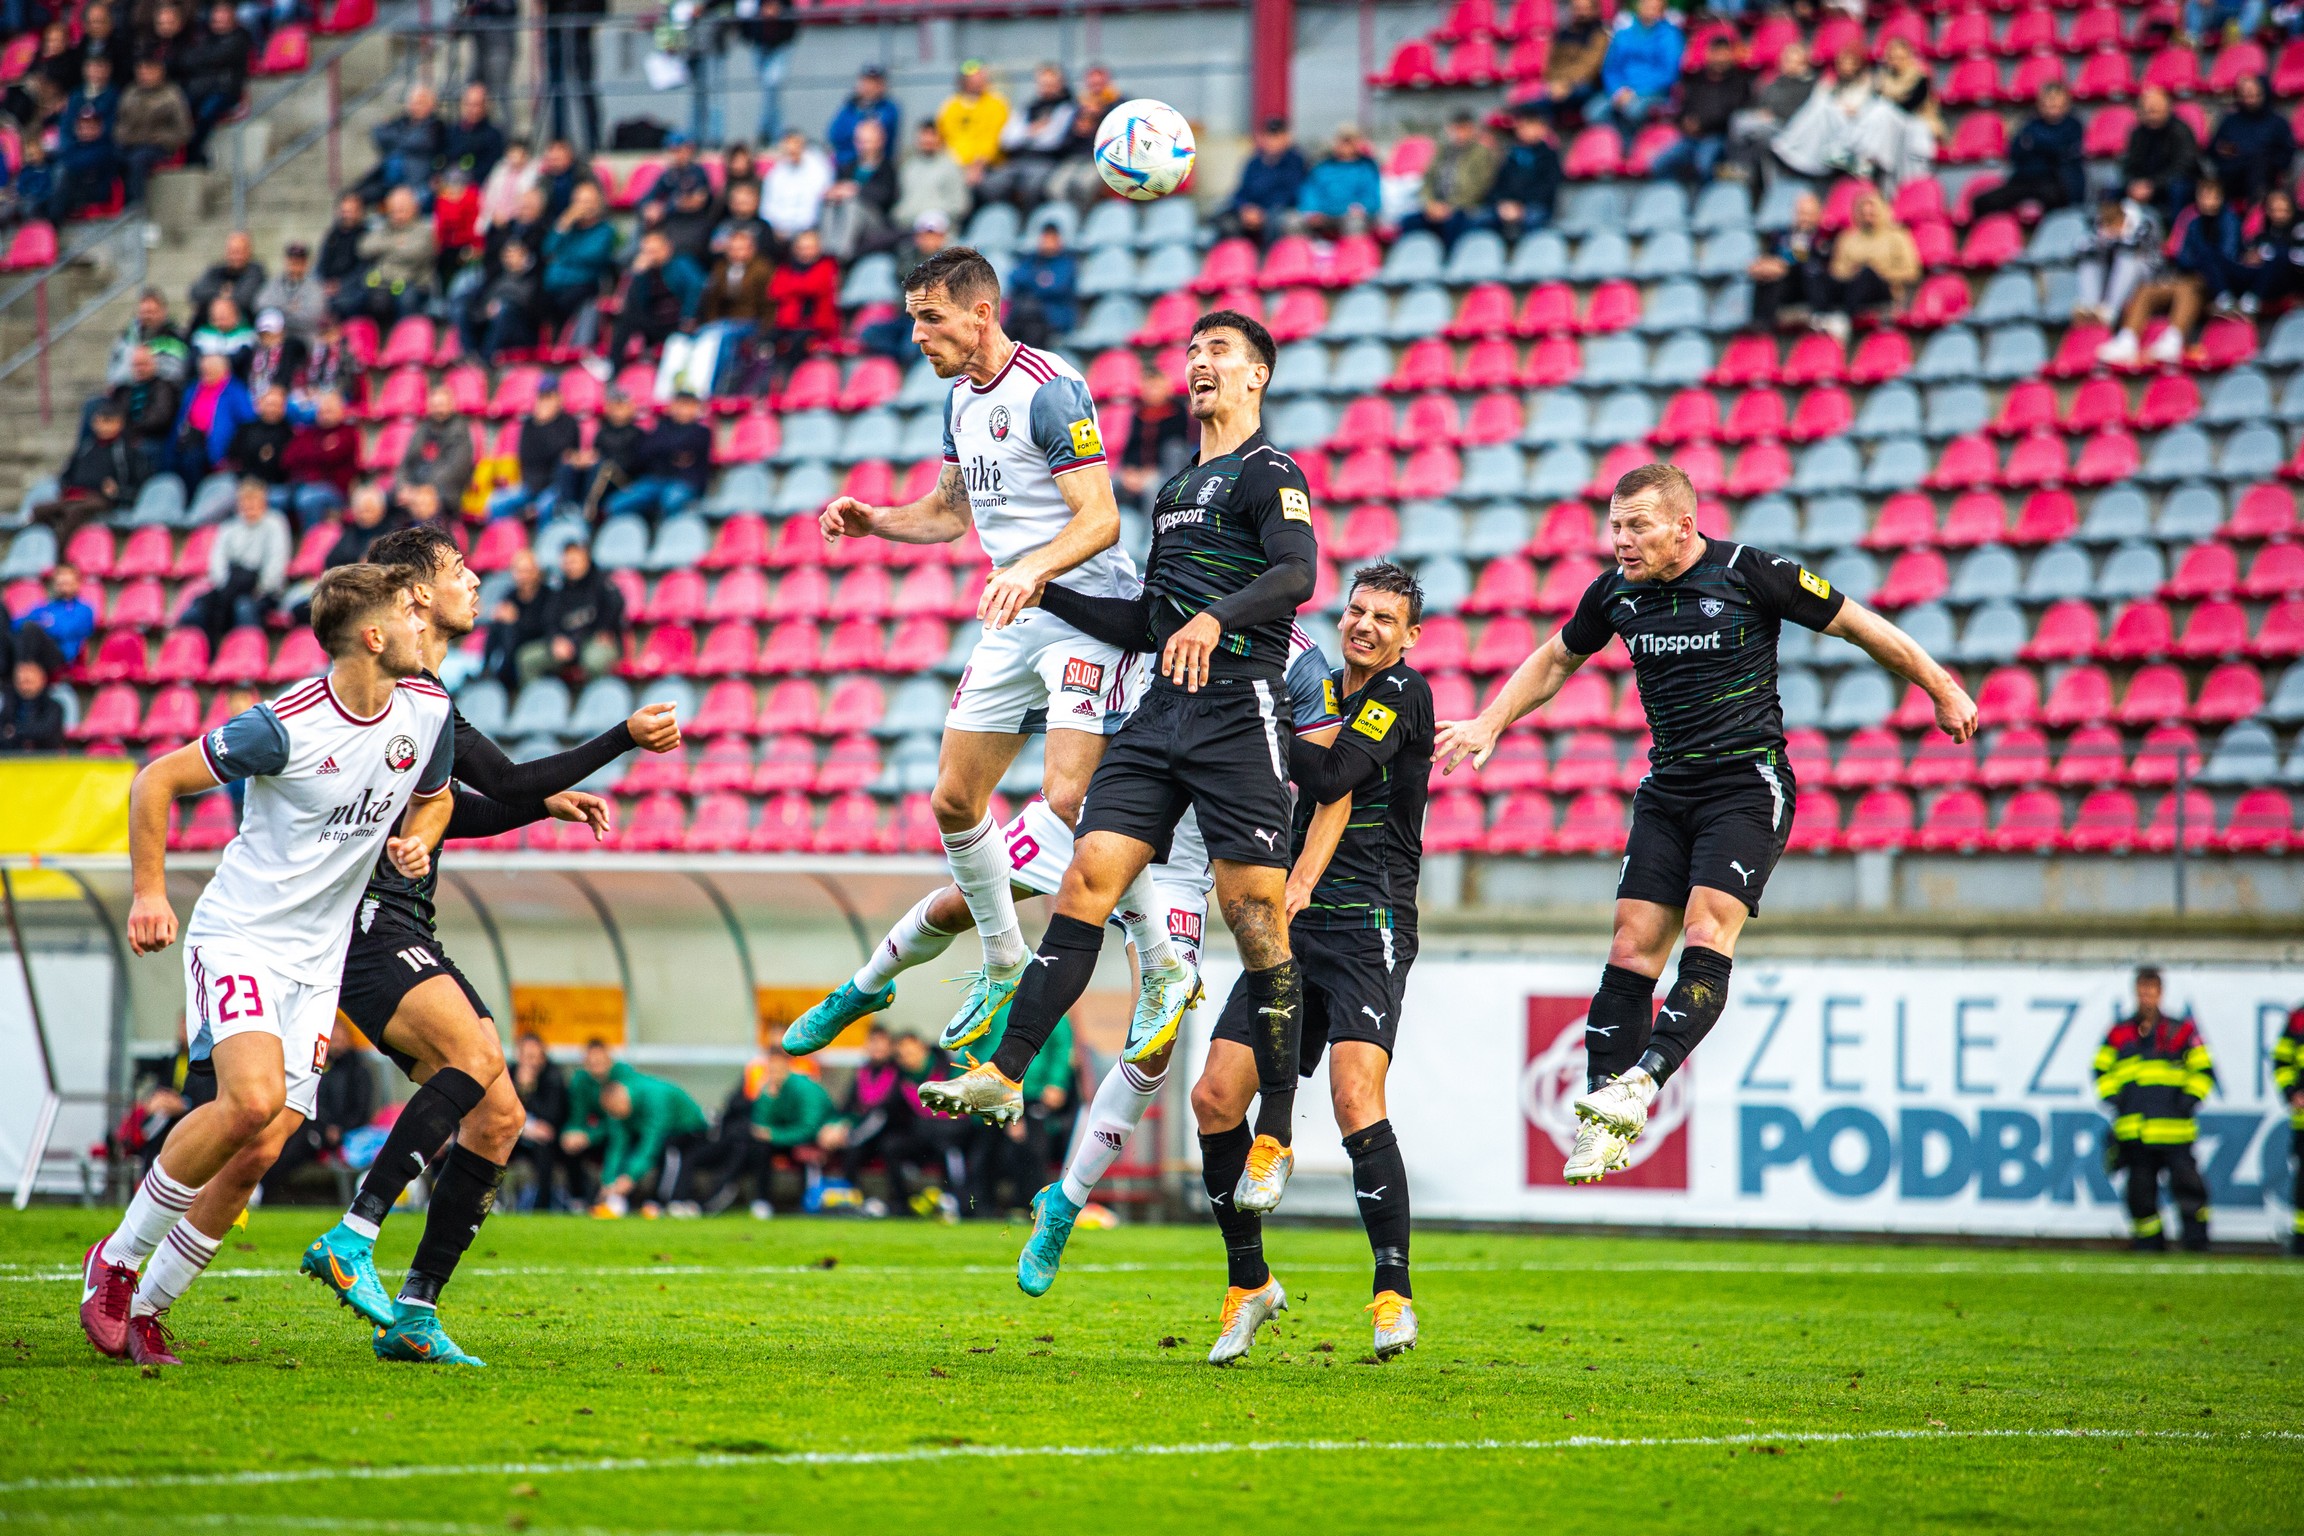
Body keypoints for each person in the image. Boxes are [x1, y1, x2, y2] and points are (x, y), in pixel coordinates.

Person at [1434, 464, 1977, 1183]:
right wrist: (1490, 720)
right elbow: (1558, 659)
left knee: (1705, 927)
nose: (1620, 540)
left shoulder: (1752, 574)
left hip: (1747, 784)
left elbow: (1859, 626)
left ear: (1683, 526)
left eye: (1637, 526)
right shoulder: (1616, 592)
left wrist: (1941, 687)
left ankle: (1645, 1081)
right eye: (1614, 525)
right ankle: (1603, 1110)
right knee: (1631, 943)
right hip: (1669, 787)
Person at [920, 314, 1315, 1267]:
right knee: (1085, 880)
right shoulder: (1175, 489)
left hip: (1238, 715)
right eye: (1192, 352)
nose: (1199, 364)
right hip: (1159, 723)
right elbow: (1146, 618)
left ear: (1257, 373)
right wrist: (1040, 588)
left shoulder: (1274, 473)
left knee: (1258, 922)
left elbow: (1298, 575)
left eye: (1219, 353)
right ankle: (1005, 1074)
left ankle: (1278, 1132)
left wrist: (1218, 619)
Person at [298, 522, 671, 1361]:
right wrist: (618, 740)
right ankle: (354, 1233)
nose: (478, 581)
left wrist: (546, 804)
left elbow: (459, 806)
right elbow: (498, 781)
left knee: (498, 1115)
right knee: (475, 1058)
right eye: (461, 569)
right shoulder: (391, 689)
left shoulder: (425, 695)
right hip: (365, 923)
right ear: (417, 594)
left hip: (403, 920)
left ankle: (417, 1312)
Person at [76, 562, 451, 1368]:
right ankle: (113, 1259)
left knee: (260, 1146)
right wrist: (149, 894)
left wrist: (422, 832)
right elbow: (155, 780)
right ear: (374, 636)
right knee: (249, 1101)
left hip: (319, 963)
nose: (430, 631)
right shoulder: (282, 726)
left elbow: (437, 793)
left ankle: (148, 1307)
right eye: (412, 618)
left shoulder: (427, 708)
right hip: (242, 935)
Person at [809, 247, 1140, 1053]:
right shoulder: (960, 400)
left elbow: (1100, 519)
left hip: (1086, 613)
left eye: (931, 317)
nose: (917, 334)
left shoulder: (1049, 388)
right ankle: (1002, 956)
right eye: (914, 317)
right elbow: (951, 513)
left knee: (1069, 803)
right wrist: (876, 519)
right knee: (954, 803)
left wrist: (1031, 570)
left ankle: (1159, 965)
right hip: (1014, 609)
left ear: (981, 313)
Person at [1184, 562, 1432, 1363]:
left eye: (1383, 619)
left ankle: (1391, 1295)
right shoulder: (1311, 691)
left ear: (1409, 637)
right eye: (1356, 611)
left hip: (1367, 924)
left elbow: (1329, 775)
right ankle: (1248, 1284)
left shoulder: (1400, 696)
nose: (1364, 627)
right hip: (1284, 923)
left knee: (1356, 1097)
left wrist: (1252, 720)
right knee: (1216, 1097)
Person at [2095, 967, 2215, 1252]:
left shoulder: (2181, 1030)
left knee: (2189, 1191)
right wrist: (2117, 1100)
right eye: (2141, 992)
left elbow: (2204, 1070)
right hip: (2135, 1131)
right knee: (2140, 1195)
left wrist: (2186, 1102)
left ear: (2160, 993)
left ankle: (2196, 1244)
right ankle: (2149, 1246)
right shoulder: (2120, 1031)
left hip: (2174, 1130)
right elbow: (2100, 1068)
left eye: (2150, 991)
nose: (2145, 998)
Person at [2099, 178, 2242, 367]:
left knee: (2188, 287)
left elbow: (2226, 256)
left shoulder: (2230, 221)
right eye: (2204, 196)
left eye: (2213, 197)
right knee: (2147, 290)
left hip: (2215, 284)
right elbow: (2182, 255)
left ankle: (2173, 340)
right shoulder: (2193, 222)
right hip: (2185, 276)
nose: (2209, 201)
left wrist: (2199, 264)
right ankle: (2127, 339)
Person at [257, 1017, 376, 1201]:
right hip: (317, 1127)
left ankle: (261, 1189)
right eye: (332, 1038)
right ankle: (259, 1185)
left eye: (340, 1038)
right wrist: (325, 1126)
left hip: (344, 1133)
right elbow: (314, 1101)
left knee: (297, 1145)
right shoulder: (319, 1068)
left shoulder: (359, 1071)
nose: (336, 1043)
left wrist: (340, 1129)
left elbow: (362, 1110)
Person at [595, 1067, 711, 1217]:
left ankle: (665, 1201)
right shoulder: (618, 1111)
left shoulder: (655, 1099)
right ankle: (620, 1200)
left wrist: (631, 1177)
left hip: (689, 1131)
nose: (616, 1116)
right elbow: (617, 1146)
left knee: (671, 1153)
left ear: (622, 1099)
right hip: (661, 1134)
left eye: (617, 1111)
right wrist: (608, 1180)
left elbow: (652, 1142)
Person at [741, 1045, 839, 1216]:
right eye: (769, 1068)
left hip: (815, 1139)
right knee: (758, 1147)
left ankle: (809, 1203)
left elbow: (810, 1128)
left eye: (777, 1067)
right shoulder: (769, 1090)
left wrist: (774, 1135)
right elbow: (760, 1126)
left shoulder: (805, 1088)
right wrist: (767, 1098)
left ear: (788, 1065)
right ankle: (762, 1201)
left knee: (805, 1152)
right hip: (788, 1138)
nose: (773, 1073)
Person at [190, 478, 290, 644]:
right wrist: (224, 587)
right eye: (245, 500)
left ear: (263, 501)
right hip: (229, 589)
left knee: (243, 607)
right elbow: (217, 565)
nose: (249, 505)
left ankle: (248, 655)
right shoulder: (228, 528)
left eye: (254, 500)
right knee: (195, 612)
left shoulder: (275, 524)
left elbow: (276, 564)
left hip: (262, 593)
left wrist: (262, 588)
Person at [1813, 189, 1919, 339]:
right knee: (1816, 272)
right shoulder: (1846, 238)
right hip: (1850, 285)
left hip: (1885, 288)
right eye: (1864, 213)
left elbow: (1911, 271)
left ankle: (1844, 319)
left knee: (1867, 273)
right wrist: (1852, 271)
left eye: (1872, 213)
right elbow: (1836, 269)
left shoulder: (1898, 236)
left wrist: (1880, 271)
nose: (1868, 217)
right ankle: (1821, 316)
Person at [1969, 81, 2084, 218]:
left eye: (2055, 104)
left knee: (2055, 201)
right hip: (2023, 180)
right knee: (1982, 202)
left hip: (2054, 181)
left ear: (2066, 104)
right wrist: (2043, 146)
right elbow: (2014, 151)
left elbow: (2058, 149)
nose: (2051, 108)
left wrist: (2034, 144)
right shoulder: (2030, 123)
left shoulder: (2073, 125)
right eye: (2046, 103)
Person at [1650, 31, 1752, 185]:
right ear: (1709, 54)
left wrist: (1702, 125)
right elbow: (1682, 107)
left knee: (1704, 164)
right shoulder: (1696, 80)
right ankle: (1676, 197)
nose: (1720, 58)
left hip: (1718, 137)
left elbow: (1732, 114)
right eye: (1716, 53)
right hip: (1690, 138)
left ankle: (1709, 202)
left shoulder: (1739, 83)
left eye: (1724, 53)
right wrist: (1684, 122)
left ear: (1731, 55)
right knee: (1660, 164)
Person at [521, 535, 626, 682]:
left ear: (586, 560)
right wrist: (555, 640)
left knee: (594, 661)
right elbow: (548, 620)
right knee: (527, 659)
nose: (570, 565)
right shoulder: (558, 588)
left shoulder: (602, 583)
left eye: (575, 561)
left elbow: (616, 607)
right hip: (566, 644)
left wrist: (604, 629)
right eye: (567, 561)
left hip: (593, 641)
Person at [603, 388, 712, 523]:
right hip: (655, 480)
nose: (681, 409)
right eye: (679, 403)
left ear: (696, 408)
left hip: (684, 482)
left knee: (671, 500)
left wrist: (663, 451)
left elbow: (674, 447)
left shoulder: (702, 432)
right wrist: (672, 454)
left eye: (687, 404)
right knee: (615, 505)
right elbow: (644, 452)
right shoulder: (661, 427)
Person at [39, 405, 144, 541]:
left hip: (102, 499)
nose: (102, 426)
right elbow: (67, 474)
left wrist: (118, 491)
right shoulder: (85, 447)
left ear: (119, 423)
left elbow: (137, 485)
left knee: (73, 512)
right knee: (39, 510)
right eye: (99, 421)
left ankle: (59, 556)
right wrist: (64, 487)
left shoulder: (126, 451)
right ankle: (41, 548)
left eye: (108, 421)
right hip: (76, 496)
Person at [1590, 0, 1684, 151]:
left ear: (1662, 11)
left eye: (1655, 8)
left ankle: (1634, 150)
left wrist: (1636, 91)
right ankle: (1616, 146)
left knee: (1633, 110)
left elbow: (1670, 73)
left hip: (1653, 92)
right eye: (1647, 6)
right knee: (1593, 112)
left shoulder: (1671, 36)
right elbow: (1611, 68)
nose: (1650, 11)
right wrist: (1617, 90)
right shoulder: (1623, 34)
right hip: (1621, 91)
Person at [337, 186, 438, 325]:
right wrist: (396, 245)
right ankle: (356, 342)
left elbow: (415, 253)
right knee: (349, 301)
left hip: (413, 285)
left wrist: (384, 249)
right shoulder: (384, 227)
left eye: (401, 210)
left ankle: (405, 342)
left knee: (407, 300)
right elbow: (363, 248)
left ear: (415, 208)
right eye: (393, 211)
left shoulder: (425, 229)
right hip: (381, 284)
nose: (397, 215)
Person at [981, 63, 1075, 209]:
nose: (1047, 88)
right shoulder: (1029, 107)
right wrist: (1032, 131)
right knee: (992, 185)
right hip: (1018, 161)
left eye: (1051, 84)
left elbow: (1052, 141)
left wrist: (1026, 134)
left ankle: (1029, 224)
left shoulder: (1068, 108)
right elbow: (1006, 140)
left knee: (1032, 186)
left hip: (1046, 161)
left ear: (1060, 84)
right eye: (1043, 84)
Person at [1402, 110, 1499, 249]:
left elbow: (1478, 187)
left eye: (1464, 129)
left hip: (1464, 207)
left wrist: (1450, 207)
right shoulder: (1442, 151)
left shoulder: (1481, 153)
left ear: (1472, 129)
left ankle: (1449, 263)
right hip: (1437, 205)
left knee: (1455, 222)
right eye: (1456, 129)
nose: (1459, 134)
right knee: (1409, 221)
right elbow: (1428, 180)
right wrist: (1429, 203)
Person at [489, 375, 581, 521]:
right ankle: (506, 540)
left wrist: (545, 425)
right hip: (531, 485)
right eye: (542, 396)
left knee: (544, 506)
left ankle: (543, 543)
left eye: (550, 396)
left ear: (559, 398)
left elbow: (562, 457)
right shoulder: (530, 423)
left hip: (556, 485)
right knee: (495, 502)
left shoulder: (569, 423)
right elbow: (527, 456)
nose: (545, 401)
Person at [606, 228, 703, 364]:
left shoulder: (681, 263)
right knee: (627, 320)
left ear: (667, 248)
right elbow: (634, 302)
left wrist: (689, 315)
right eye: (647, 251)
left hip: (678, 322)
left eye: (655, 250)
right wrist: (637, 275)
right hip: (655, 322)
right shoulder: (645, 272)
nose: (652, 255)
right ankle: (612, 367)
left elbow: (697, 286)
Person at [2074, 185, 2166, 327]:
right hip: (2112, 273)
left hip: (2149, 274)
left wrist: (2118, 237)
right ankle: (2090, 307)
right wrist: (2102, 239)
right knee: (2089, 261)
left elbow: (2142, 250)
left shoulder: (2144, 219)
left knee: (2127, 258)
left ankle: (2110, 311)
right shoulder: (2100, 220)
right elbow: (2080, 249)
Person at [1727, 37, 1814, 184]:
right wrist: (1761, 112)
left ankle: (1740, 166)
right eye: (1786, 59)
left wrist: (1773, 113)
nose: (1787, 64)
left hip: (1790, 129)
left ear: (1803, 64)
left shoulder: (1808, 86)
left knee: (1747, 127)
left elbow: (1799, 114)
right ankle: (1750, 174)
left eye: (1792, 60)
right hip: (1768, 125)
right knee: (1741, 121)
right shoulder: (1776, 82)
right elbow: (1760, 103)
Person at [538, 180, 620, 334]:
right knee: (533, 300)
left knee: (563, 303)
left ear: (599, 204)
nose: (584, 206)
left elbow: (592, 256)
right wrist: (562, 224)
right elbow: (547, 250)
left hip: (584, 285)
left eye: (589, 201)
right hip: (554, 286)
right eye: (579, 201)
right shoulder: (568, 228)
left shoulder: (605, 230)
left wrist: (562, 256)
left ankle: (564, 346)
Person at [178, 1, 251, 165]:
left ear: (233, 17)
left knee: (207, 112)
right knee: (181, 108)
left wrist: (202, 59)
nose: (219, 20)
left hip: (226, 90)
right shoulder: (204, 38)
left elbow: (217, 57)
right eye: (217, 17)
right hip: (201, 88)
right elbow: (187, 60)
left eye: (224, 16)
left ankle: (193, 153)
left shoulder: (240, 38)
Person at [2208, 74, 2295, 210]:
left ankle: (2255, 215)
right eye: (2245, 96)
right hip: (2232, 175)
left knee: (2259, 162)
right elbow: (2213, 148)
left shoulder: (2277, 122)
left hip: (2264, 178)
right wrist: (2222, 150)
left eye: (2254, 95)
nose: (2250, 100)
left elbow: (2286, 154)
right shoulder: (2230, 121)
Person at [1220, 117, 1309, 247]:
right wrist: (1245, 208)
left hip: (1279, 211)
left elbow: (1292, 194)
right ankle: (1237, 262)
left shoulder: (1295, 162)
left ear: (1287, 137)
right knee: (1227, 222)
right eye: (1269, 136)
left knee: (1278, 221)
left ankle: (1269, 261)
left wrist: (1263, 213)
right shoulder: (1253, 163)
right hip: (1252, 212)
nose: (1272, 141)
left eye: (1276, 136)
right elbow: (1241, 192)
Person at [818, 117, 897, 260]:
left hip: (874, 217)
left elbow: (887, 196)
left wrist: (856, 190)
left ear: (880, 141)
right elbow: (838, 188)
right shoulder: (848, 166)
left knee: (851, 203)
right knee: (830, 202)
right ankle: (827, 250)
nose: (864, 146)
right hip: (845, 213)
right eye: (860, 141)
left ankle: (843, 253)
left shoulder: (887, 167)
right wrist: (834, 192)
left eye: (868, 141)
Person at [116, 55, 190, 206]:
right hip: (131, 143)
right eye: (141, 70)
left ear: (160, 71)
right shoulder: (130, 93)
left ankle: (138, 206)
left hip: (160, 146)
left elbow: (185, 130)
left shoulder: (172, 94)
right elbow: (119, 125)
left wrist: (161, 138)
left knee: (138, 159)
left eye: (149, 70)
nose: (144, 74)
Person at [1748, 190, 1827, 330]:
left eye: (1809, 214)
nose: (1804, 218)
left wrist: (1784, 266)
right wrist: (1761, 266)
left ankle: (1766, 324)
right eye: (1801, 213)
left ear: (1818, 214)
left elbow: (1816, 262)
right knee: (1766, 274)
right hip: (1784, 284)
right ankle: (1759, 322)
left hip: (1810, 286)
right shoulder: (1781, 235)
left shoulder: (1824, 236)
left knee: (1789, 271)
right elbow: (1770, 256)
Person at [507, 1032, 569, 1211]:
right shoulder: (507, 1073)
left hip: (544, 1138)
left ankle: (542, 1206)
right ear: (518, 1055)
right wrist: (524, 1128)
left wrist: (529, 1090)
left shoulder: (553, 1076)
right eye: (527, 1056)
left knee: (545, 1146)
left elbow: (550, 1117)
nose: (531, 1062)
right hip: (516, 1132)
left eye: (535, 1057)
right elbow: (498, 1111)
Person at [765, 226, 839, 375]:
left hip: (816, 326)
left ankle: (791, 381)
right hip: (788, 324)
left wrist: (791, 287)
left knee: (797, 344)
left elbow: (815, 286)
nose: (805, 252)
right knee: (764, 342)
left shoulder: (827, 266)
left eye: (810, 248)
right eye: (801, 248)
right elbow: (775, 290)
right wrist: (799, 287)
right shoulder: (786, 268)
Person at [2123, 86, 2202, 224]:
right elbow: (2129, 164)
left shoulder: (2181, 130)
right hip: (2146, 184)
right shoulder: (2137, 133)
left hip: (2176, 183)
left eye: (2155, 111)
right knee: (2113, 191)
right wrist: (2134, 183)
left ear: (2168, 109)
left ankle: (2176, 236)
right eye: (2147, 111)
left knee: (2178, 189)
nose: (2151, 115)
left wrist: (2153, 185)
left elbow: (2184, 167)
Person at [1117, 362, 1190, 509]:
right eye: (1148, 387)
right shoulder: (1139, 414)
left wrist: (1149, 473)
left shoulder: (1177, 412)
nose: (1152, 392)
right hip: (1138, 473)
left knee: (1153, 488)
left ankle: (1153, 531)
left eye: (1156, 386)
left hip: (1166, 473)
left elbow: (1176, 449)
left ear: (1166, 387)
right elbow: (1131, 448)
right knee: (1111, 484)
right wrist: (1129, 471)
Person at [358, 83, 446, 204]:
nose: (416, 106)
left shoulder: (436, 126)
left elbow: (421, 142)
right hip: (387, 181)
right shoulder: (401, 121)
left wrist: (395, 139)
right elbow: (378, 133)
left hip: (417, 183)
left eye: (421, 103)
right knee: (355, 197)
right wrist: (404, 138)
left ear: (432, 105)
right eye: (413, 102)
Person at [172, 349, 254, 480]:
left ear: (224, 370)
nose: (205, 373)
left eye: (210, 369)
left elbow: (247, 419)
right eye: (203, 369)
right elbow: (181, 417)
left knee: (194, 463)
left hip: (220, 448)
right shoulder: (193, 388)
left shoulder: (235, 390)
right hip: (191, 441)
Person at [396, 384, 476, 513]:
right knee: (384, 501)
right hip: (415, 489)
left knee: (426, 504)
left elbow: (456, 469)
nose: (438, 409)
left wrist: (423, 491)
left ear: (451, 405)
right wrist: (403, 486)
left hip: (446, 491)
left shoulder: (460, 430)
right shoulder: (422, 429)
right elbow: (405, 463)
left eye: (442, 404)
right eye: (435, 405)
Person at [1294, 125, 1382, 238]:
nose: (1346, 145)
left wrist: (1362, 208)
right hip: (1323, 215)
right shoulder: (1322, 167)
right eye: (1343, 141)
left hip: (1351, 216)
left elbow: (1373, 197)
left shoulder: (1366, 168)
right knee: (1293, 222)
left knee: (1355, 224)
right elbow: (1310, 191)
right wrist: (1312, 210)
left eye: (1350, 141)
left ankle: (1352, 255)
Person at [1527, 0, 1607, 122]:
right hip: (1557, 84)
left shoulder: (1600, 35)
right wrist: (1555, 83)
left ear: (1595, 11)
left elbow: (1589, 67)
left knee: (1542, 104)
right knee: (1544, 97)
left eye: (1586, 9)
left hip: (1585, 85)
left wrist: (1565, 84)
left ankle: (1527, 111)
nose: (1581, 13)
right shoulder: (1562, 33)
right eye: (1578, 8)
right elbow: (1550, 63)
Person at [1487, 108, 1561, 239]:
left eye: (1530, 126)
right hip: (1508, 206)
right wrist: (1502, 204)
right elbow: (1498, 184)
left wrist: (1520, 207)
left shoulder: (1549, 156)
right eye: (1522, 126)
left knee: (1532, 219)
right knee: (1481, 219)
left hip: (1535, 206)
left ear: (1542, 129)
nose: (1525, 130)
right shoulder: (1511, 154)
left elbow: (1547, 189)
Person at [462, 236, 540, 361]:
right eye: (506, 256)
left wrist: (502, 305)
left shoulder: (535, 276)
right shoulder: (499, 278)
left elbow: (532, 307)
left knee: (504, 310)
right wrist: (486, 310)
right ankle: (470, 356)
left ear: (525, 255)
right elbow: (484, 302)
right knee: (463, 309)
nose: (510, 260)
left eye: (513, 255)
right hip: (494, 322)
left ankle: (486, 360)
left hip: (523, 329)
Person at [936, 59, 1011, 188]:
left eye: (980, 77)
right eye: (972, 79)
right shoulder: (950, 106)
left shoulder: (997, 104)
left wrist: (978, 165)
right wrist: (962, 165)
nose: (977, 82)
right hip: (957, 166)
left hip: (990, 166)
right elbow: (946, 139)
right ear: (963, 81)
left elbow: (994, 139)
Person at [541, 0, 603, 153]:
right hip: (556, 30)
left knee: (585, 89)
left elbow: (601, 9)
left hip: (581, 33)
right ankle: (558, 141)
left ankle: (592, 143)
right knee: (557, 90)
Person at [483, 546, 549, 689]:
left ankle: (503, 677)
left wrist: (516, 620)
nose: (523, 576)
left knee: (509, 628)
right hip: (515, 640)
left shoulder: (547, 595)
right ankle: (486, 669)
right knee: (499, 624)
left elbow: (545, 625)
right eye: (519, 571)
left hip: (538, 640)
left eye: (527, 571)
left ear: (537, 572)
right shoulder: (511, 594)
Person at [1005, 221, 1079, 344]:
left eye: (1051, 238)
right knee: (1009, 329)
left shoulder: (1066, 262)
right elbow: (1015, 278)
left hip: (1052, 316)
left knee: (1033, 331)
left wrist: (1031, 284)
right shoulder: (1032, 259)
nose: (1047, 242)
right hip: (1025, 314)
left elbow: (1058, 288)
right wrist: (1038, 280)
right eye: (1045, 237)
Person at [895, 122, 970, 236]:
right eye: (924, 138)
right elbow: (899, 206)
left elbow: (961, 205)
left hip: (941, 229)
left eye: (932, 137)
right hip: (909, 228)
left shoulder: (951, 165)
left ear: (939, 139)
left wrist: (932, 214)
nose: (927, 141)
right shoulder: (908, 166)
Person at [110, 343, 182, 461]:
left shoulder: (164, 387)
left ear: (154, 364)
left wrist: (133, 430)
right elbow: (118, 413)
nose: (140, 369)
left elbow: (160, 417)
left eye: (144, 364)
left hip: (153, 438)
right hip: (128, 436)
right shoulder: (124, 390)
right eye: (136, 365)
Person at [761, 128, 834, 243]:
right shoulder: (776, 172)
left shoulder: (818, 167)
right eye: (787, 147)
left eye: (795, 145)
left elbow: (816, 204)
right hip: (779, 231)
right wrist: (776, 228)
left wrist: (798, 230)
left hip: (809, 229)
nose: (791, 150)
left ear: (802, 144)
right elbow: (767, 208)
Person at [828, 62, 900, 178]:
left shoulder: (888, 108)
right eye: (866, 81)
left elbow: (872, 134)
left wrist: (859, 132)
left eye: (874, 82)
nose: (869, 86)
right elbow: (834, 135)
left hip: (877, 171)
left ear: (882, 85)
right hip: (847, 166)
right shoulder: (850, 107)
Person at [108, 289, 190, 387]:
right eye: (144, 312)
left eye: (151, 312)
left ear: (163, 312)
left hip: (164, 391)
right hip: (128, 390)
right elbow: (114, 372)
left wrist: (152, 369)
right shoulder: (125, 338)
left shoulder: (177, 338)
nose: (147, 317)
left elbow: (179, 373)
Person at [19, 565, 99, 666]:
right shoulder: (45, 606)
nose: (63, 587)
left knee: (31, 629)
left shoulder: (84, 610)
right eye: (60, 584)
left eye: (67, 583)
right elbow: (17, 622)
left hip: (62, 655)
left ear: (77, 584)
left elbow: (66, 630)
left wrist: (43, 624)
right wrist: (47, 624)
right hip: (38, 652)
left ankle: (24, 670)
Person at [223, 380, 294, 491]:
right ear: (259, 404)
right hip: (241, 480)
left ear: (284, 407)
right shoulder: (245, 429)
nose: (272, 409)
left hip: (275, 485)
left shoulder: (290, 434)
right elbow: (232, 456)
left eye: (276, 405)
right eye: (269, 404)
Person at [253, 241, 329, 342]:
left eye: (299, 261)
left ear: (305, 263)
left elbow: (312, 317)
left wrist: (279, 314)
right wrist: (290, 308)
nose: (294, 265)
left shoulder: (314, 287)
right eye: (292, 260)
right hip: (275, 336)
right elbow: (259, 304)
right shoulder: (275, 282)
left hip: (303, 338)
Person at [323, 483, 407, 570]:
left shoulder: (392, 532)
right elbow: (331, 561)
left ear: (381, 509)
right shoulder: (350, 531)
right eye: (360, 510)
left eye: (369, 510)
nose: (364, 515)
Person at [0, 657, 68, 752]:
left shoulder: (54, 707)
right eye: (21, 681)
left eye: (29, 681)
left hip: (46, 762)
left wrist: (15, 731)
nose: (24, 683)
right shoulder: (8, 706)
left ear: (42, 679)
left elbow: (45, 732)